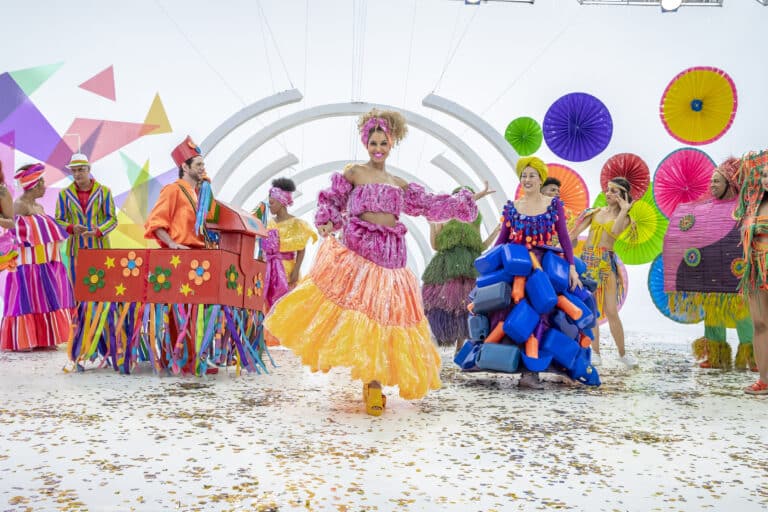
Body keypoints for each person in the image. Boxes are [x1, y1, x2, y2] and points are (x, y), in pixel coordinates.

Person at [264, 109, 490, 415]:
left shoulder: (397, 182)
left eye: (384, 143)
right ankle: (371, 383)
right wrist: (328, 221)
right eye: (373, 143)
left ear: (391, 144)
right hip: (359, 253)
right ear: (365, 143)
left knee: (383, 319)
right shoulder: (354, 173)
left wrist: (467, 200)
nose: (378, 148)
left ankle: (374, 382)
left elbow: (429, 204)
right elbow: (331, 200)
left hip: (391, 258)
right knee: (360, 316)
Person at [489, 156, 581, 389]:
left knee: (543, 316)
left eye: (532, 175)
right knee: (516, 318)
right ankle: (520, 368)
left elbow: (564, 237)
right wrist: (488, 265)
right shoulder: (512, 207)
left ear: (541, 179)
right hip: (517, 268)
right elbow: (501, 241)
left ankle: (537, 370)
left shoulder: (553, 205)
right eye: (524, 175)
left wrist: (571, 267)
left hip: (543, 269)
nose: (527, 179)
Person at [667, 158, 754, 370]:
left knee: (743, 314)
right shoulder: (704, 209)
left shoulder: (744, 209)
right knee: (713, 312)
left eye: (716, 181)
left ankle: (753, 356)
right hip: (711, 273)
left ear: (729, 183)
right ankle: (716, 356)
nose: (712, 185)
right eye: (711, 181)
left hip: (737, 272)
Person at [144, 136, 218, 374]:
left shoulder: (200, 194)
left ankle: (197, 356)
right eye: (198, 164)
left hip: (200, 258)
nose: (203, 168)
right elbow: (156, 223)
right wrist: (172, 244)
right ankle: (181, 357)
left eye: (203, 164)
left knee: (200, 310)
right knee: (181, 311)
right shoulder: (173, 190)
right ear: (184, 167)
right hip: (180, 257)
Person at [0, 163, 75, 351]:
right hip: (25, 263)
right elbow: (13, 231)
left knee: (44, 298)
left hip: (44, 262)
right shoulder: (19, 205)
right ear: (34, 185)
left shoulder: (38, 207)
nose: (45, 187)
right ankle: (23, 340)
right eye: (42, 183)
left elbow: (47, 232)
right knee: (25, 299)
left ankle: (45, 338)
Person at [422, 186, 498, 353]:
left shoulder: (474, 218)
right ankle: (448, 342)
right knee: (446, 306)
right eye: (457, 195)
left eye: (467, 196)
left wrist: (495, 232)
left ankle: (460, 347)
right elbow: (435, 245)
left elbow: (480, 246)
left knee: (467, 305)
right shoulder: (443, 216)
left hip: (469, 268)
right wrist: (432, 225)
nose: (462, 199)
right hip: (446, 267)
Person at [570, 177, 636, 368]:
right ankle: (595, 352)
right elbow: (573, 234)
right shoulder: (595, 212)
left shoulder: (626, 219)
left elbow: (615, 231)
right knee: (591, 309)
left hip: (606, 262)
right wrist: (565, 242)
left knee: (611, 311)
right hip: (587, 261)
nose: (608, 193)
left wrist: (624, 210)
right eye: (608, 190)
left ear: (623, 195)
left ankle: (622, 354)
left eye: (614, 191)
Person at [734, 150, 768, 394]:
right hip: (756, 270)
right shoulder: (755, 204)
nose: (766, 179)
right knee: (759, 323)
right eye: (764, 175)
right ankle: (764, 379)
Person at [55, 153, 117, 282]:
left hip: (99, 247)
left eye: (81, 169)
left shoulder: (104, 192)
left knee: (101, 285)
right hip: (75, 249)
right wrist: (71, 228)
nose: (77, 174)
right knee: (77, 286)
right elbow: (58, 220)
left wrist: (98, 231)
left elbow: (112, 219)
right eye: (74, 170)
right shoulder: (64, 194)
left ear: (89, 169)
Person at [266, 177, 317, 289]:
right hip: (270, 269)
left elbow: (301, 249)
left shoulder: (296, 223)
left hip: (287, 270)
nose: (269, 206)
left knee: (286, 297)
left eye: (271, 202)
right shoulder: (268, 223)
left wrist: (296, 270)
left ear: (281, 201)